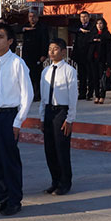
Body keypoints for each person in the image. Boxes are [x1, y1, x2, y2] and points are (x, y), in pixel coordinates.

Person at [0, 23, 33, 216]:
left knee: (9, 160)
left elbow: (27, 94)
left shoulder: (17, 63)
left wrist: (18, 121)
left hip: (8, 116)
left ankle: (14, 200)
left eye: (1, 36)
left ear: (10, 41)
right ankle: (1, 198)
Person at [39, 38, 78, 196]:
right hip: (49, 110)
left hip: (62, 111)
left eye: (55, 49)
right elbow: (42, 96)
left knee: (61, 148)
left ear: (63, 51)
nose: (52, 52)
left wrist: (70, 119)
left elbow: (73, 96)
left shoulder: (69, 71)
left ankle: (65, 182)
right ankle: (54, 180)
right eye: (50, 49)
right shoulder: (45, 71)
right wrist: (42, 117)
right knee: (49, 149)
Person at [21, 10, 49, 102]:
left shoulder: (42, 27)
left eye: (33, 16)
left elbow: (45, 42)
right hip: (27, 55)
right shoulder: (25, 26)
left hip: (37, 55)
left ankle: (37, 95)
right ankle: (29, 94)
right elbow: (16, 30)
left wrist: (44, 55)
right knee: (27, 75)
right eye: (30, 16)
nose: (31, 18)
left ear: (37, 17)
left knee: (36, 76)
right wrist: (24, 29)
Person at [70, 11, 95, 100]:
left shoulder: (92, 26)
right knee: (81, 75)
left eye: (85, 17)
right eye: (81, 17)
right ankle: (82, 93)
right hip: (80, 54)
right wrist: (80, 30)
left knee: (90, 75)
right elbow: (70, 29)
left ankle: (90, 93)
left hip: (89, 54)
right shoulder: (78, 26)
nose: (83, 18)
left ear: (88, 17)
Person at [90, 18, 111, 104]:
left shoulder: (106, 34)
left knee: (102, 79)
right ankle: (97, 95)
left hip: (102, 59)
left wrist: (101, 41)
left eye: (101, 23)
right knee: (95, 78)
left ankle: (102, 96)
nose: (99, 25)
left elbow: (108, 47)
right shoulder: (92, 34)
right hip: (93, 59)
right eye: (98, 23)